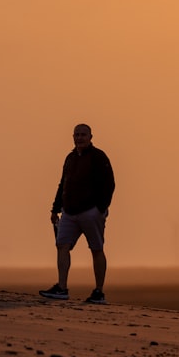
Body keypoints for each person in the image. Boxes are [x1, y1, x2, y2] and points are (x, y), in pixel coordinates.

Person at [39, 123, 116, 304]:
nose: (79, 138)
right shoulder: (70, 158)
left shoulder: (98, 157)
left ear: (90, 137)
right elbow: (63, 184)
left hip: (91, 212)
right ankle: (62, 287)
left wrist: (100, 209)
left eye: (83, 135)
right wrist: (55, 209)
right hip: (69, 212)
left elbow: (109, 184)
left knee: (96, 249)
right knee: (61, 245)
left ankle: (98, 291)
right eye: (77, 135)